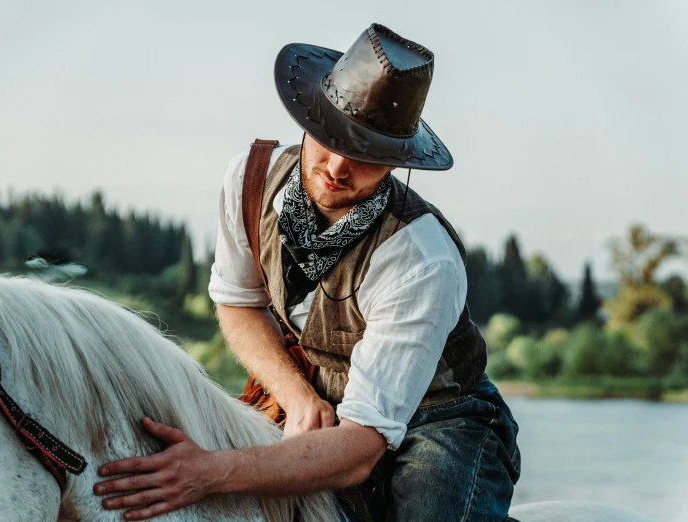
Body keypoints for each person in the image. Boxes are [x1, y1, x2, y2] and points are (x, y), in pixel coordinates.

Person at [94, 23, 521, 521]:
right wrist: (295, 395)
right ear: (312, 116)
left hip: (440, 418)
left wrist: (207, 472)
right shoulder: (248, 180)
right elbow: (238, 302)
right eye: (332, 138)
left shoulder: (420, 257)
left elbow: (361, 445)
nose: (339, 166)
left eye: (367, 155)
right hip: (320, 390)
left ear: (397, 162)